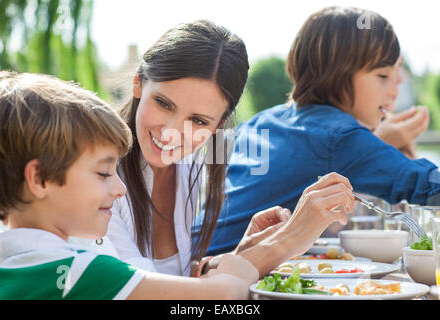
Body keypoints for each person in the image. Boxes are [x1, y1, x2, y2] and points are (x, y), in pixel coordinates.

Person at [103, 19, 355, 278]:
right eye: (163, 104)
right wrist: (288, 240)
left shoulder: (187, 165)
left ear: (217, 126)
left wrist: (242, 254)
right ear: (138, 83)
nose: (171, 133)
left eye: (198, 120)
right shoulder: (96, 171)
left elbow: (174, 278)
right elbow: (138, 289)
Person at [0, 71, 259, 299]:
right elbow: (223, 294)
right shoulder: (86, 271)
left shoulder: (0, 263)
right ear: (39, 180)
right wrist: (237, 272)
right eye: (104, 173)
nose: (120, 188)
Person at [199, 6, 440, 256]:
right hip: (222, 279)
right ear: (338, 76)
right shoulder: (340, 135)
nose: (394, 90)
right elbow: (427, 186)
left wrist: (377, 142)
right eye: (382, 75)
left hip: (193, 259)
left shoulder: (263, 121)